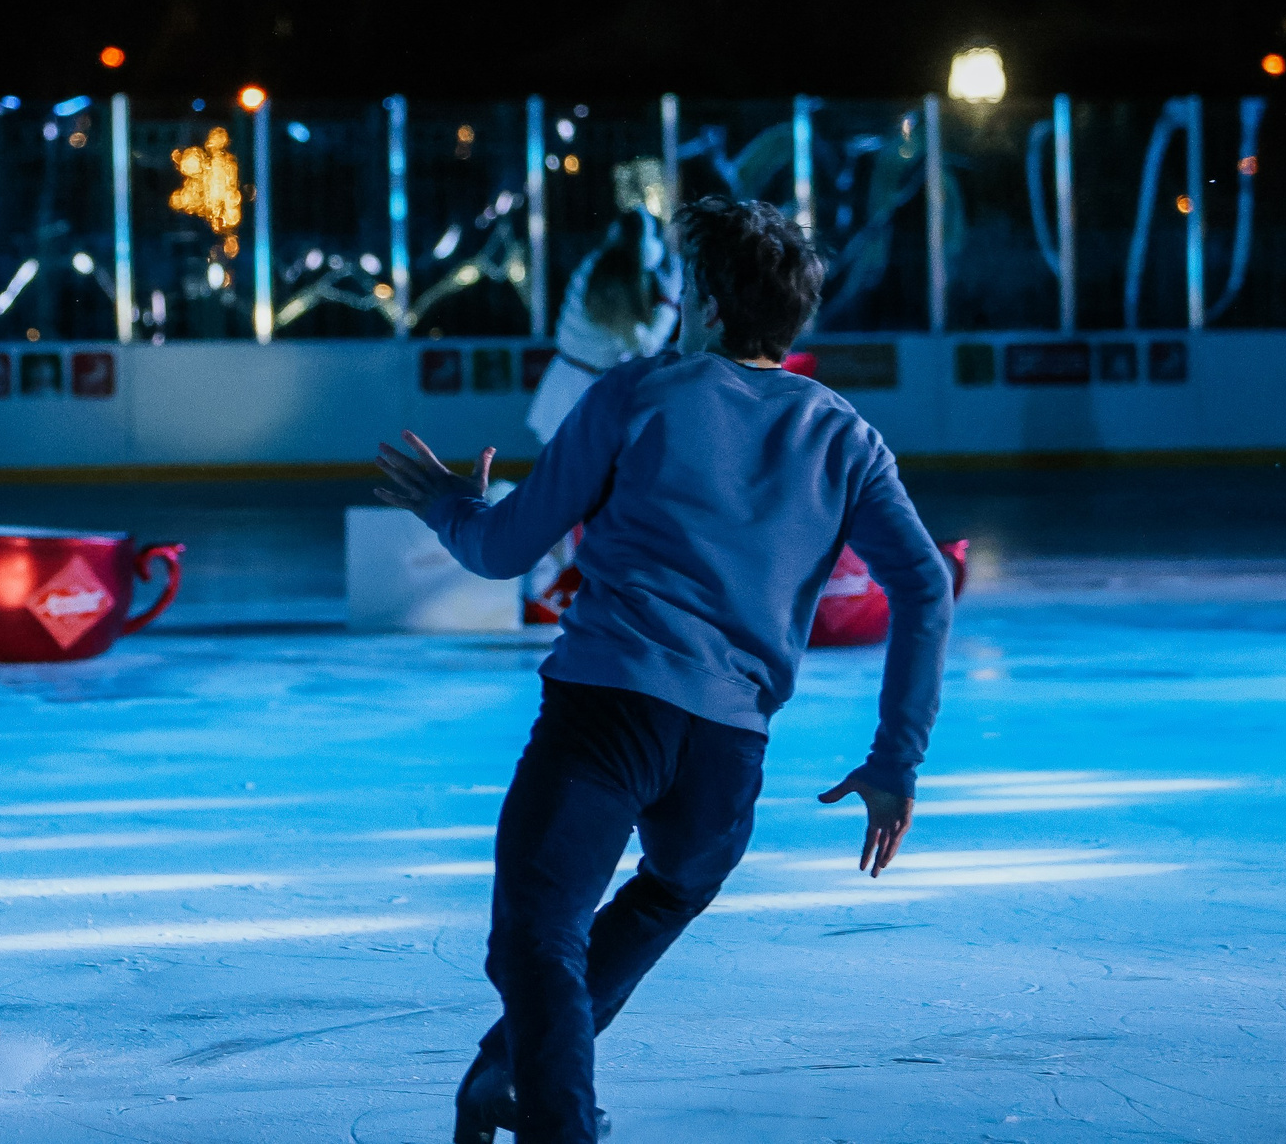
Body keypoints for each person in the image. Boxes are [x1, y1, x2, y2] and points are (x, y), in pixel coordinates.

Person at [373, 196, 953, 1144]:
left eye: (688, 287)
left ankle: (552, 1117)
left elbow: (505, 549)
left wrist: (450, 506)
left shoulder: (639, 392)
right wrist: (897, 760)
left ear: (714, 306)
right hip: (727, 752)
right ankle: (508, 1073)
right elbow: (925, 589)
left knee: (537, 939)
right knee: (673, 882)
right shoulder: (846, 436)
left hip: (606, 715)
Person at [519, 209, 682, 620]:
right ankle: (556, 585)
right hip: (578, 393)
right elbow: (645, 347)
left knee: (581, 493)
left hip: (581, 388)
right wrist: (669, 303)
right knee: (568, 495)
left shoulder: (604, 269)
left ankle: (570, 582)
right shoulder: (608, 282)